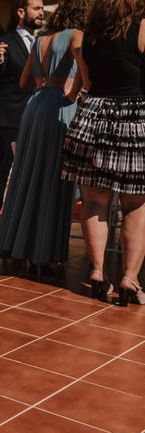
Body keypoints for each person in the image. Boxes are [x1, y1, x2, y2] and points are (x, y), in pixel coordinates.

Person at [0, 0, 90, 269]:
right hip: (59, 107)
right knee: (54, 178)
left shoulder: (41, 40)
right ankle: (45, 251)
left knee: (27, 175)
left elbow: (23, 81)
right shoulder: (76, 35)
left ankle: (18, 245)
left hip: (33, 107)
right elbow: (86, 75)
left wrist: (43, 84)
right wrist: (72, 93)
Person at [61, 0, 145, 306]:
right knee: (135, 203)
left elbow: (88, 81)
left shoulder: (89, 32)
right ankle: (129, 279)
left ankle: (97, 272)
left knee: (95, 200)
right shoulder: (143, 27)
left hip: (93, 115)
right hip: (135, 117)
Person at [0, 0, 45, 238]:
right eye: (36, 8)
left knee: (32, 172)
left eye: (42, 8)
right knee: (3, 168)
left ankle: (23, 225)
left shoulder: (44, 43)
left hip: (37, 118)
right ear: (21, 12)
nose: (41, 12)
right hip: (9, 117)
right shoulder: (4, 42)